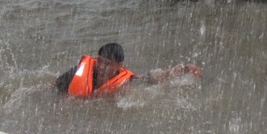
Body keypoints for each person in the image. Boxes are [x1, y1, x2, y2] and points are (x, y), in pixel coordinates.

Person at [55, 42, 202, 97]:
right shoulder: (77, 72)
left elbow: (153, 77)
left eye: (107, 63)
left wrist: (184, 69)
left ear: (118, 66)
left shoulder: (126, 81)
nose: (101, 67)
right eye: (100, 61)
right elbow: (54, 89)